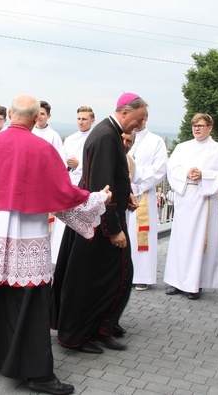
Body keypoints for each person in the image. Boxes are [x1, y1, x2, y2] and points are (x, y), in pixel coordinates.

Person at [0, 95, 110, 395]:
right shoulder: (42, 148)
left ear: (11, 114)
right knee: (26, 298)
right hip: (26, 231)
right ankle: (35, 373)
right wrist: (99, 197)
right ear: (35, 116)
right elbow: (64, 193)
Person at [51, 92, 148, 354]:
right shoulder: (106, 136)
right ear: (125, 112)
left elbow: (113, 176)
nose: (139, 125)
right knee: (97, 278)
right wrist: (114, 230)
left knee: (100, 278)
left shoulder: (108, 132)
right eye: (138, 119)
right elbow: (101, 186)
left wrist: (126, 191)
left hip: (97, 219)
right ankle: (77, 334)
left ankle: (96, 329)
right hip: (100, 223)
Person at [163, 113, 218, 300]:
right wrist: (187, 173)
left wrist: (203, 175)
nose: (197, 128)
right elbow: (172, 169)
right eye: (194, 125)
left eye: (201, 125)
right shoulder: (182, 147)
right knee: (180, 240)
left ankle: (195, 284)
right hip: (185, 197)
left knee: (200, 241)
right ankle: (176, 281)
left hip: (204, 199)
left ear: (210, 127)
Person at [127, 112, 168, 291]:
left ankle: (142, 276)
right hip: (123, 193)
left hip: (144, 194)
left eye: (141, 118)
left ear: (146, 119)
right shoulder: (124, 136)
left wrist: (137, 180)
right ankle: (124, 274)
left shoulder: (155, 141)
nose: (137, 122)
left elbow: (159, 169)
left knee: (140, 236)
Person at [51, 106, 95, 263]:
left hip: (86, 185)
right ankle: (59, 258)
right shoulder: (70, 139)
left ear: (92, 120)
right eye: (79, 119)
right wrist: (69, 165)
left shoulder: (97, 138)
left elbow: (97, 162)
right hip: (69, 185)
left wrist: (79, 164)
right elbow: (60, 163)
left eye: (84, 119)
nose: (81, 122)